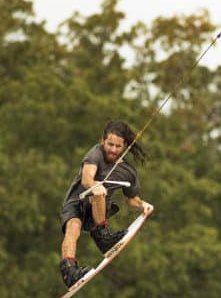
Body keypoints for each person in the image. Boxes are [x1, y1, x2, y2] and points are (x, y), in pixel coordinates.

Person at [58, 120, 152, 287]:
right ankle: (69, 271)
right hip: (77, 203)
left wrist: (143, 205)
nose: (113, 150)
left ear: (125, 147)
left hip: (97, 211)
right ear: (103, 141)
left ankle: (103, 237)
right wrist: (95, 185)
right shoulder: (96, 154)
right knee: (73, 228)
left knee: (100, 194)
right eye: (110, 144)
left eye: (118, 146)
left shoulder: (128, 173)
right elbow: (87, 179)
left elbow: (131, 199)